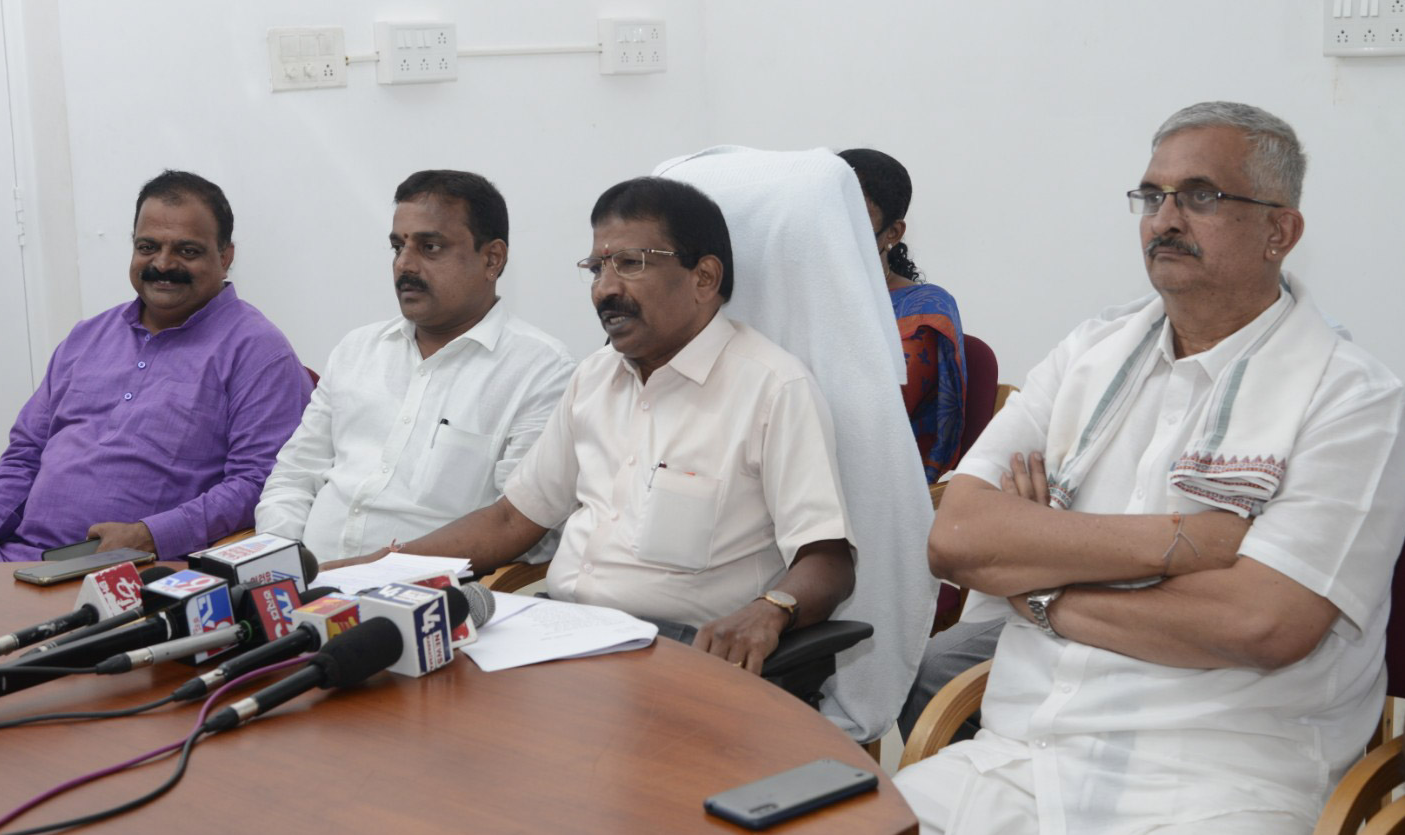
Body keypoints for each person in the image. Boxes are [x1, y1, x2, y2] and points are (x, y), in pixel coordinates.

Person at [894, 102, 1405, 833]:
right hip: (1021, 759)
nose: (1164, 218)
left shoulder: (1352, 399)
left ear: (1279, 232)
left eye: (1200, 195)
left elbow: (1262, 623)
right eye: (1151, 195)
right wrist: (1188, 542)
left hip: (1221, 784)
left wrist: (1038, 588)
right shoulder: (1089, 354)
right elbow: (954, 538)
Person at [327, 177, 857, 673]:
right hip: (560, 631)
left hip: (680, 651)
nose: (605, 289)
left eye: (629, 263)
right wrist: (369, 570)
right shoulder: (595, 376)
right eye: (597, 268)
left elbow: (827, 559)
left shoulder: (772, 388)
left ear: (704, 278)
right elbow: (512, 520)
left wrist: (771, 609)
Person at [0, 171, 313, 567]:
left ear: (225, 257)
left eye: (187, 251)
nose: (162, 263)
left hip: (138, 573)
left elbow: (260, 483)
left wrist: (149, 536)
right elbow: (23, 456)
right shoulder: (87, 337)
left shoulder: (258, 352)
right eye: (148, 246)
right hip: (15, 562)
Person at [254, 171, 575, 563]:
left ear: (492, 258)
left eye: (430, 247)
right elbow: (294, 475)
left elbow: (520, 525)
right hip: (302, 581)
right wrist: (277, 562)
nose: (404, 264)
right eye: (397, 247)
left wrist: (363, 571)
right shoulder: (358, 349)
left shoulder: (540, 371)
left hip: (427, 592)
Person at [839, 148, 966, 483]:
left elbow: (875, 415)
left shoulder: (925, 308)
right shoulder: (800, 293)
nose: (835, 227)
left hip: (876, 480)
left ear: (892, 233)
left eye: (855, 216)